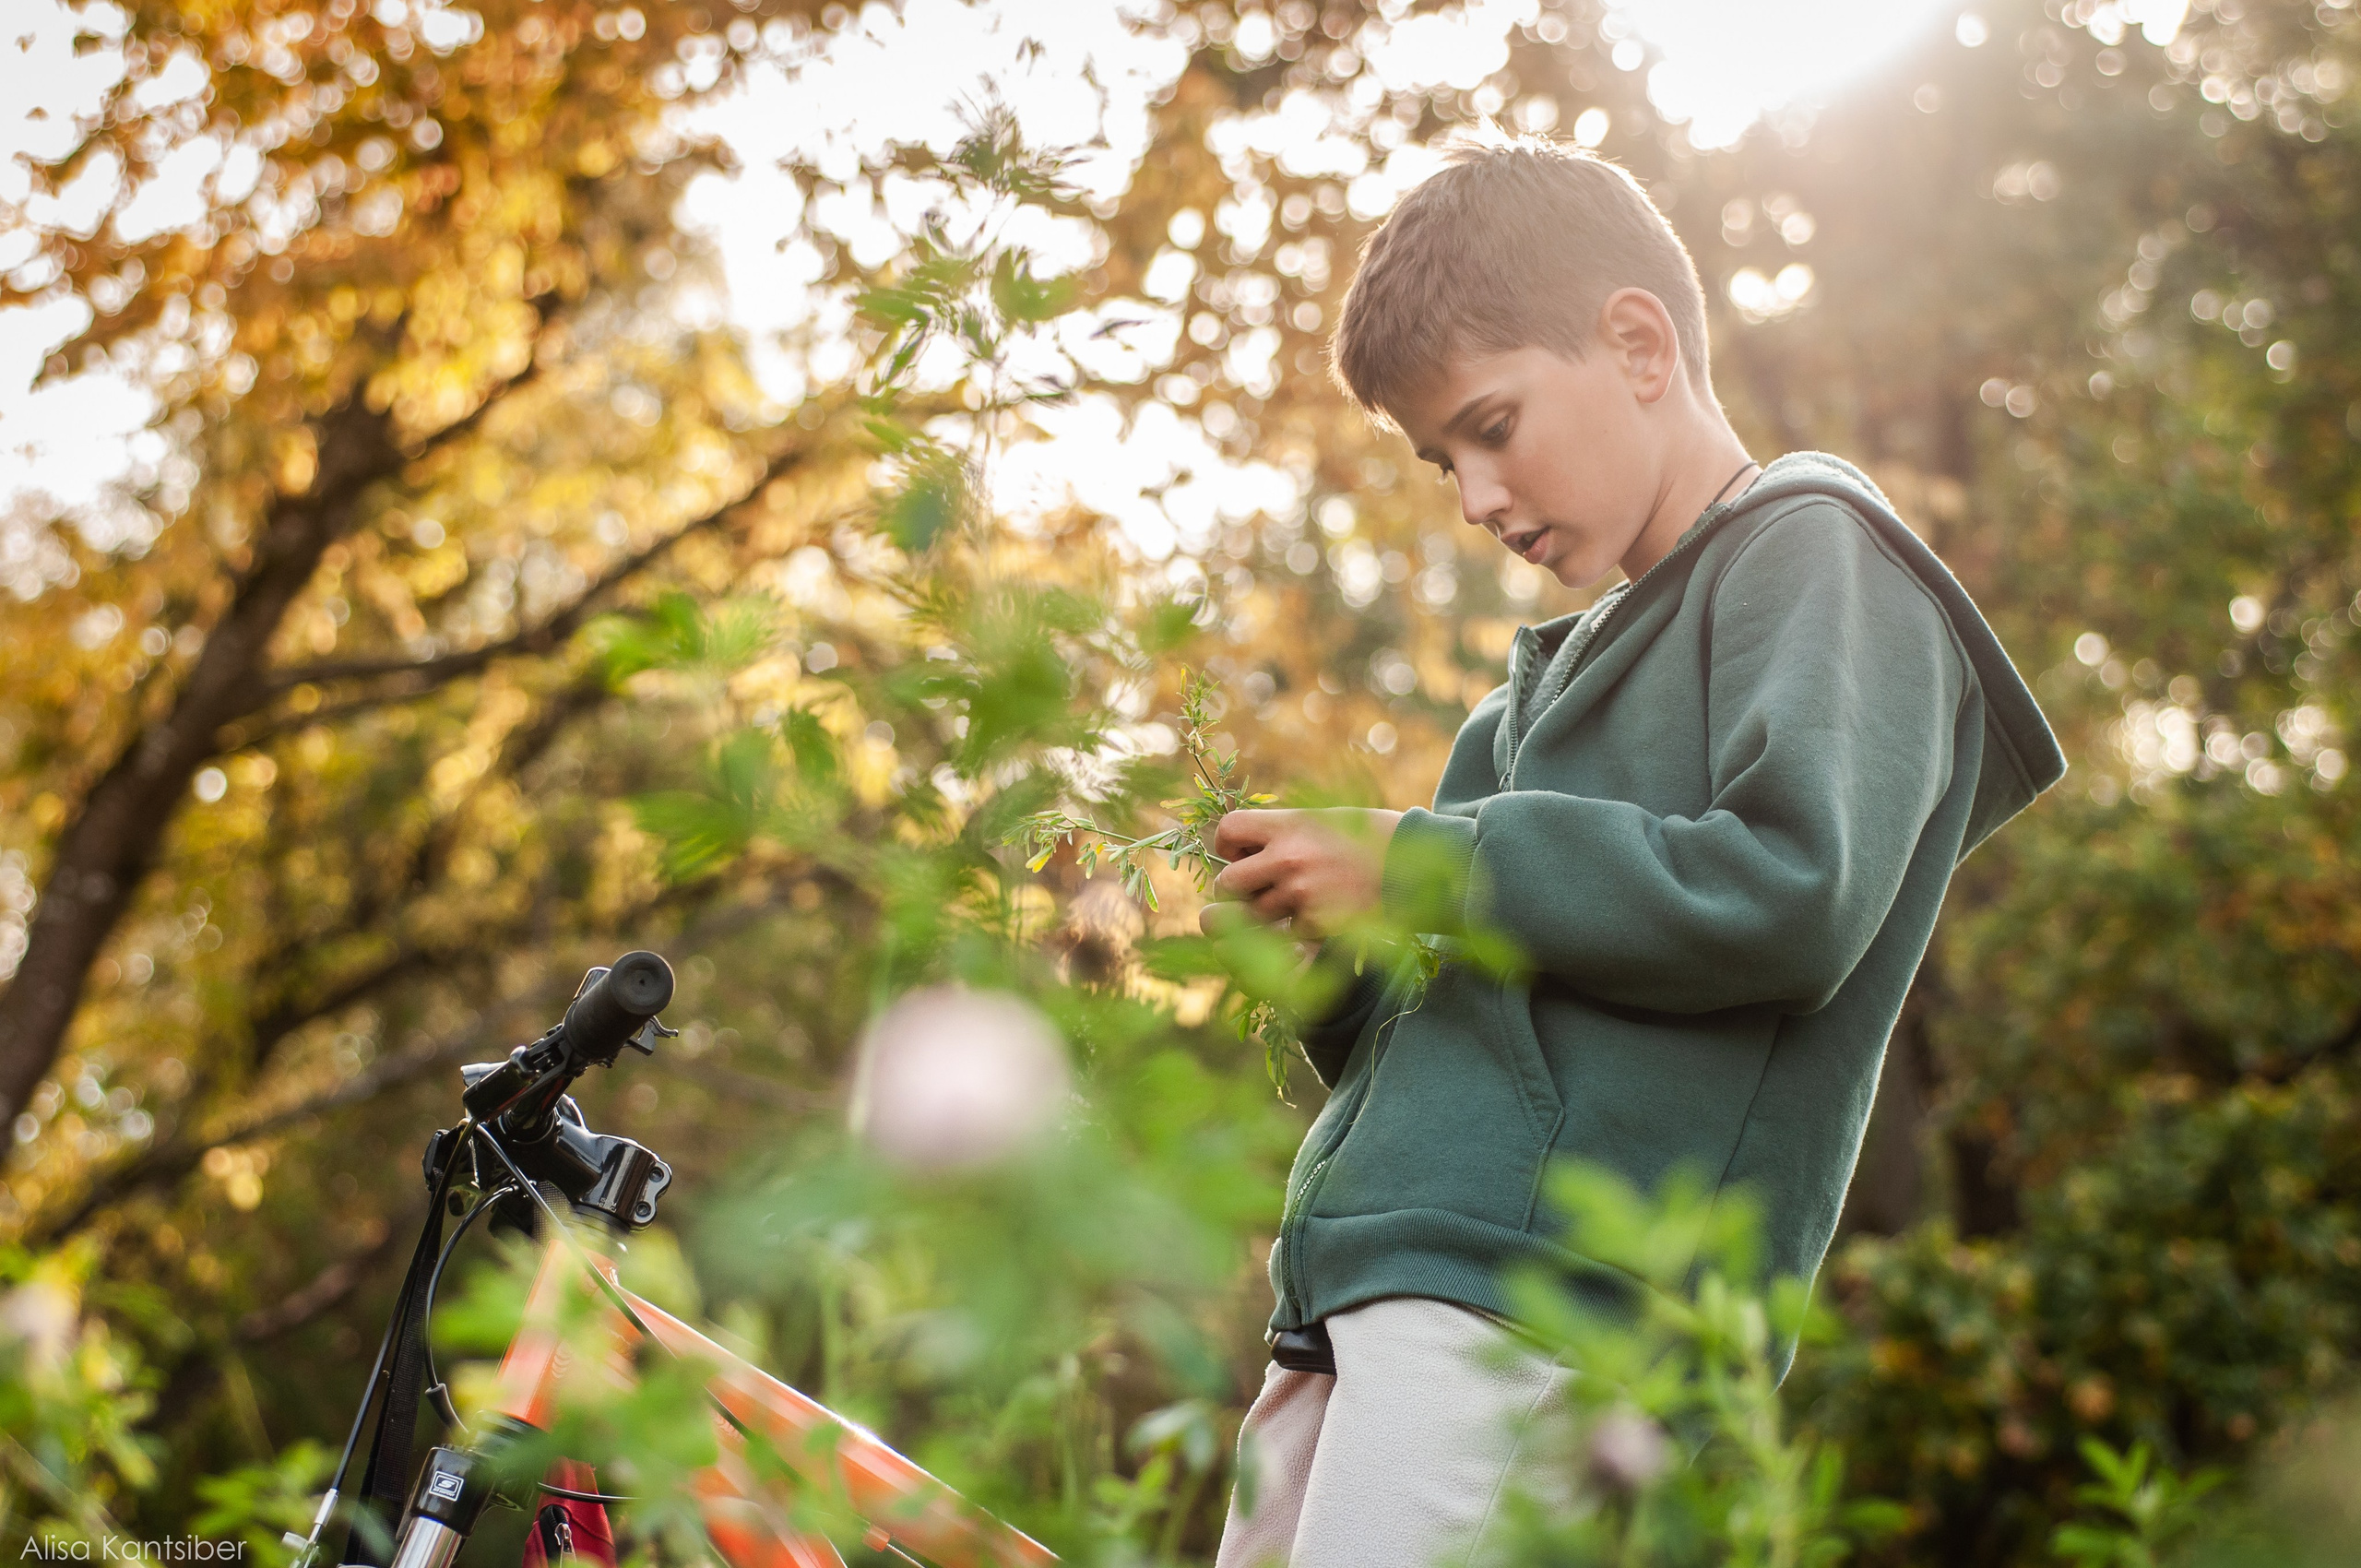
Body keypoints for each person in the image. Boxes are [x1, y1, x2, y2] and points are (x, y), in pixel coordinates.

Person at [1201, 135, 2065, 1568]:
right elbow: (1469, 1050)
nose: (1473, 496)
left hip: (1543, 1309)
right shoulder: (1509, 720)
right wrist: (1335, 969)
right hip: (1375, 1286)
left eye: (1492, 425)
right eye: (1439, 460)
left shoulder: (1818, 554)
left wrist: (1423, 863)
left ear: (1639, 344)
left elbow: (1793, 897)